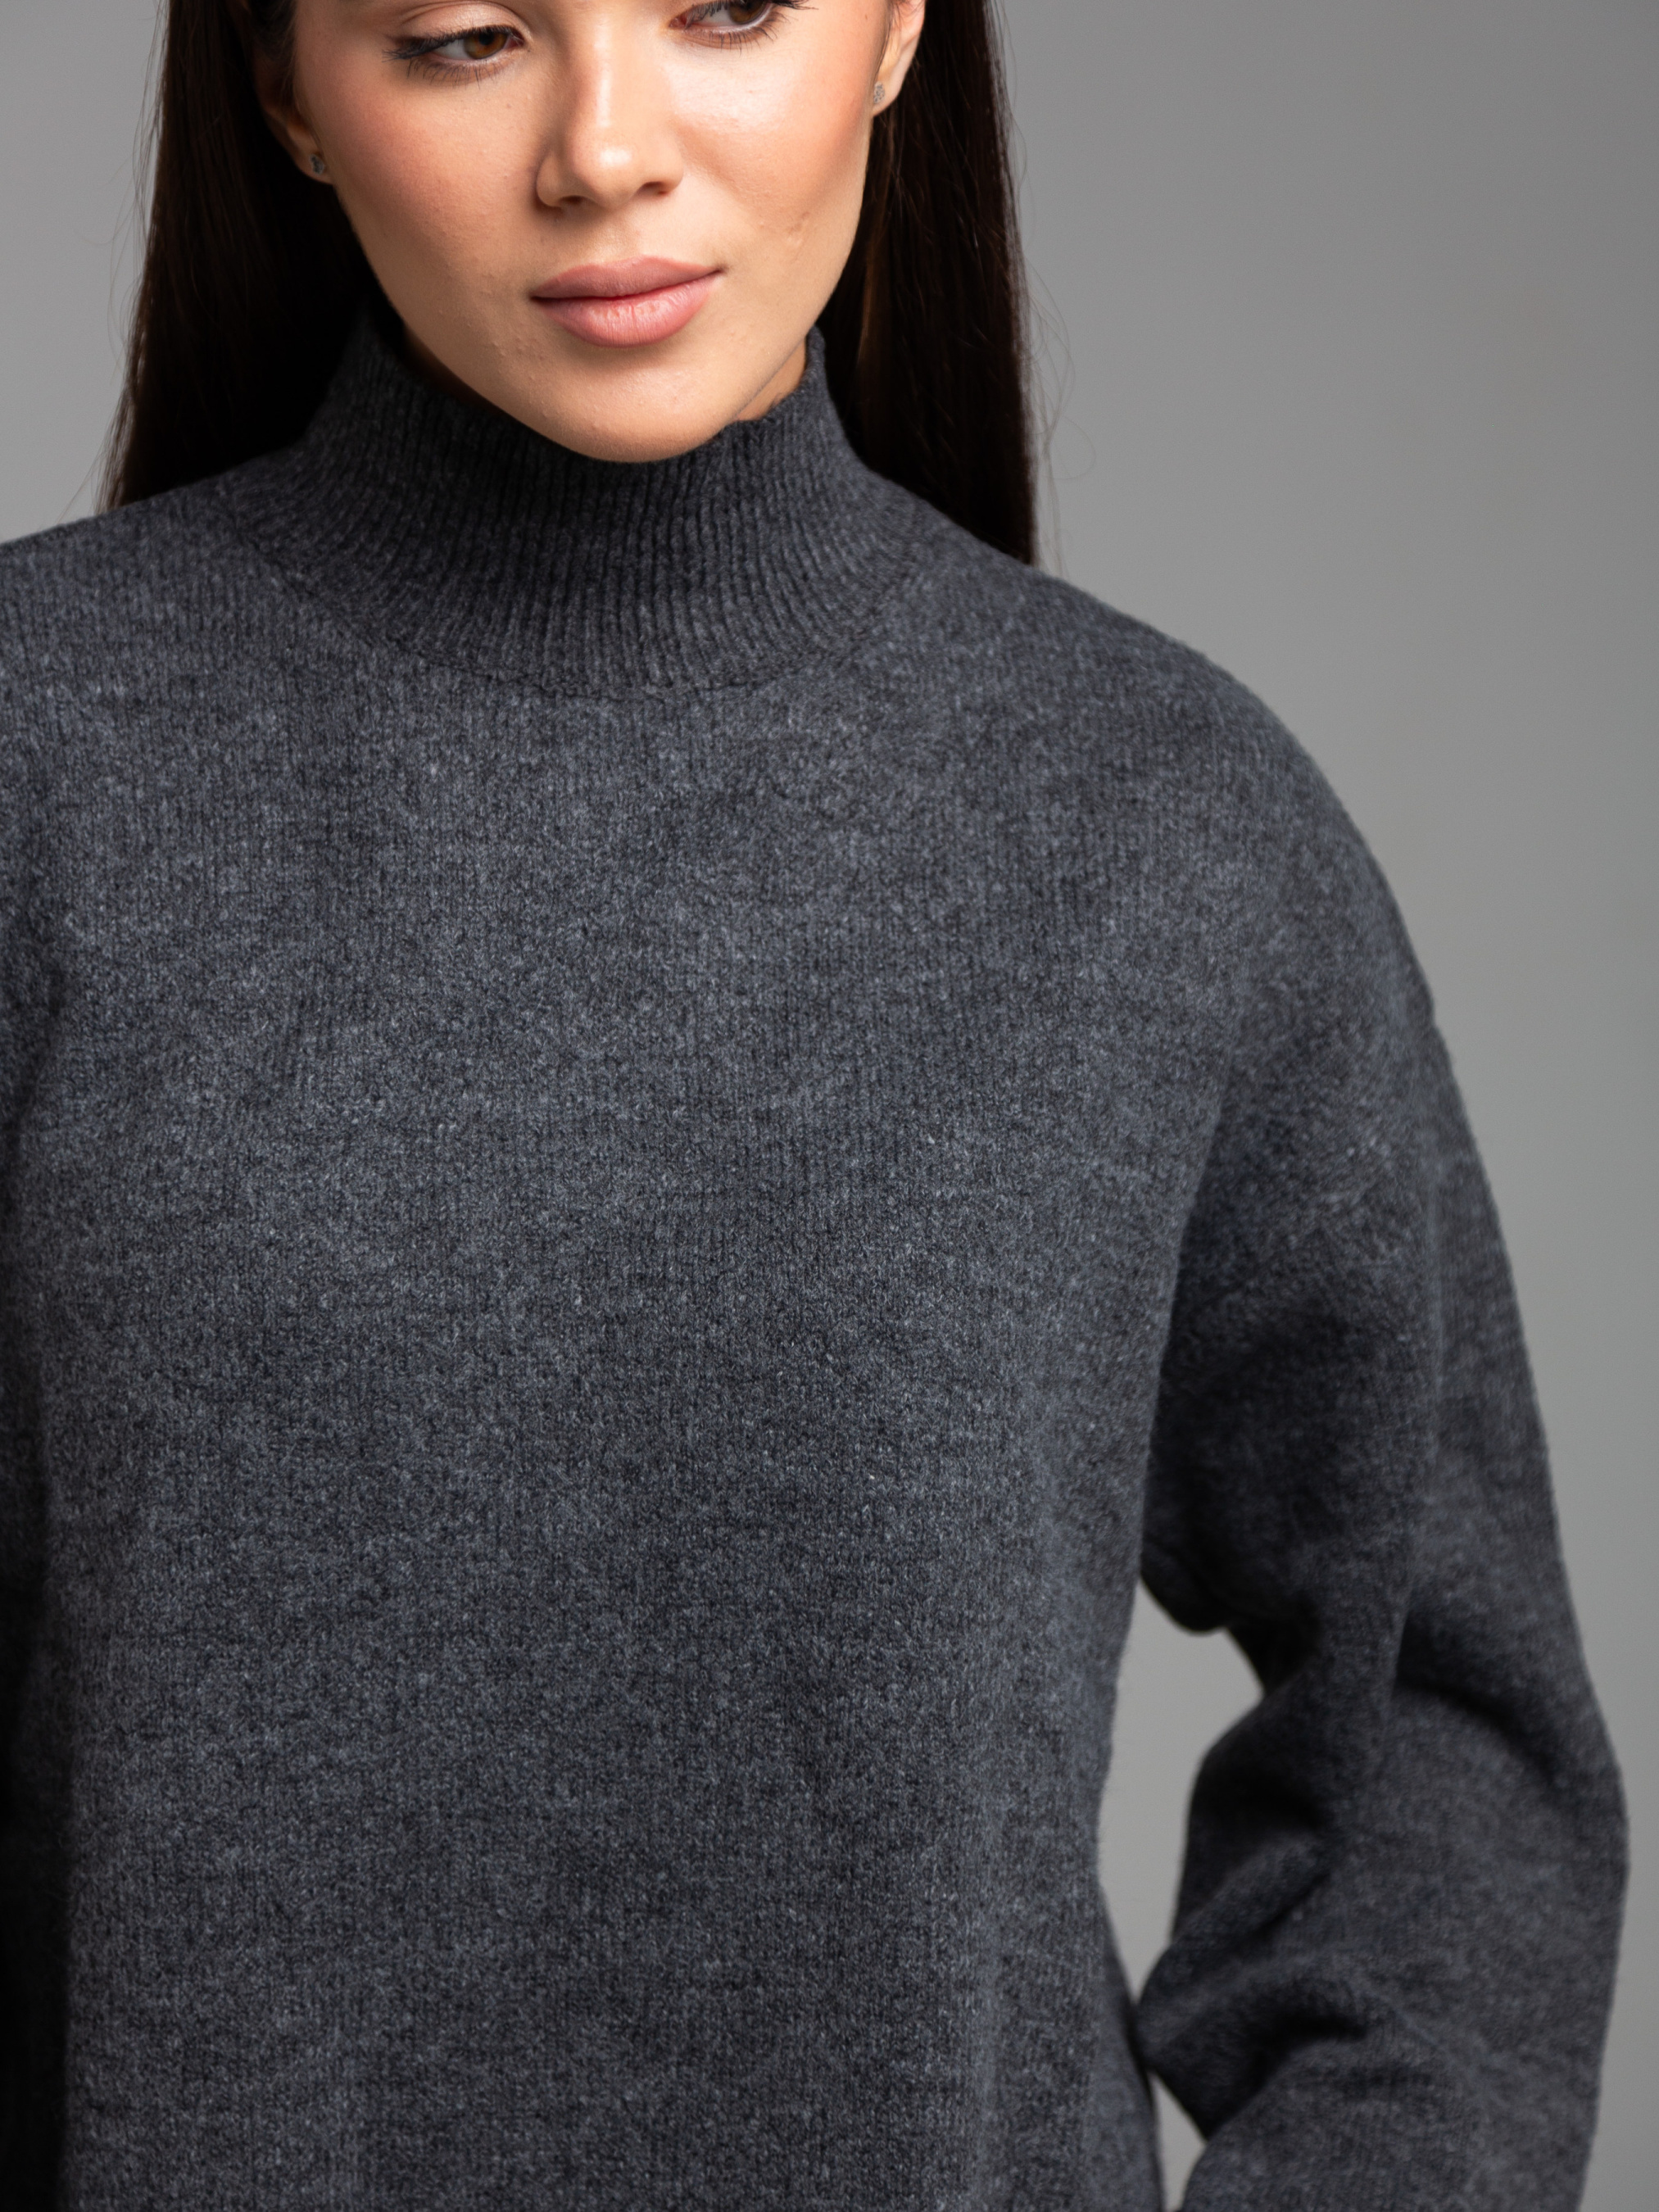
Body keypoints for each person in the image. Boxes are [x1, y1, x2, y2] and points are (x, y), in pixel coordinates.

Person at [0, 0, 1626, 2204]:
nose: (605, 148)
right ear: (288, 90)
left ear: (894, 30)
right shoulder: (41, 777)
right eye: (465, 38)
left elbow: (1449, 1739)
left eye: (729, 9)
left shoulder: (1161, 830)